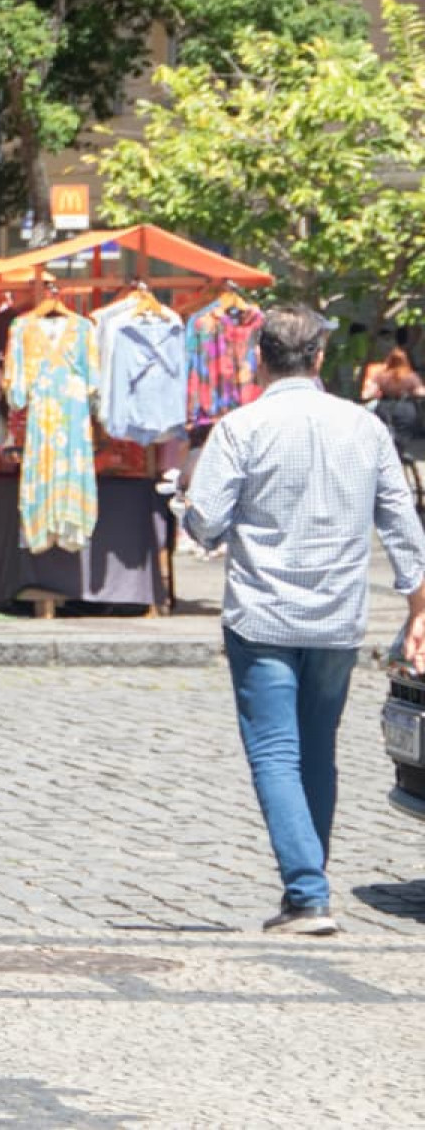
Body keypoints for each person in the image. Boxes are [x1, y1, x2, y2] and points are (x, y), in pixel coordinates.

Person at [174, 306, 425, 936]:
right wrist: (418, 605)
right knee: (318, 751)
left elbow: (204, 525)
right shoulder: (362, 429)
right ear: (317, 360)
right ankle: (309, 881)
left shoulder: (240, 428)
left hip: (262, 617)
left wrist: (182, 501)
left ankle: (308, 893)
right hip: (338, 619)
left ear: (260, 357)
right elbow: (402, 524)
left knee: (275, 754)